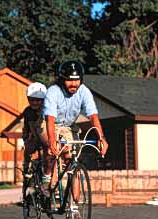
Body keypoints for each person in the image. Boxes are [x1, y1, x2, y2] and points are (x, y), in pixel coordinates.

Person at [42, 60, 108, 192]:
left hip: (68, 127)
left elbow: (93, 116)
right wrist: (52, 140)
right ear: (62, 79)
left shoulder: (84, 91)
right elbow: (50, 118)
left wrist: (101, 138)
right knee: (52, 149)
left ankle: (74, 205)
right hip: (49, 124)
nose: (73, 84)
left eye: (77, 80)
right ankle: (47, 176)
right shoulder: (53, 91)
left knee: (71, 158)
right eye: (69, 80)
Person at [22, 82, 47, 179]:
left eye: (38, 100)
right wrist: (28, 137)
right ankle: (27, 165)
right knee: (28, 147)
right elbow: (27, 128)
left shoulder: (48, 110)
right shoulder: (28, 111)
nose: (34, 102)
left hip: (45, 136)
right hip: (32, 135)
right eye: (31, 100)